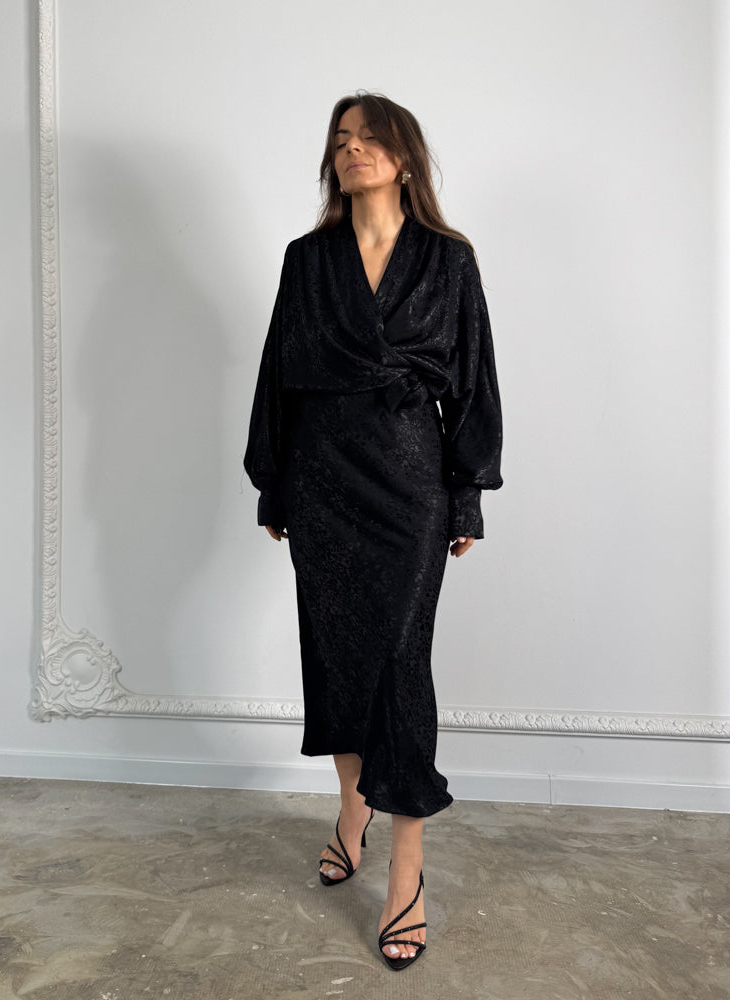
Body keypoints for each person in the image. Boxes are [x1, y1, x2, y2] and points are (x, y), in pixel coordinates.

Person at [243, 91, 503, 971]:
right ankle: (353, 805)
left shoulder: (448, 259)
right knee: (336, 654)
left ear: (404, 155)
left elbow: (473, 377)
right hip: (321, 480)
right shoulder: (306, 258)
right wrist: (274, 485)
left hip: (408, 482)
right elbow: (277, 375)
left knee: (398, 663)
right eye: (341, 140)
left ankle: (406, 870)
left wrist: (466, 495)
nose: (352, 149)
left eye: (370, 138)